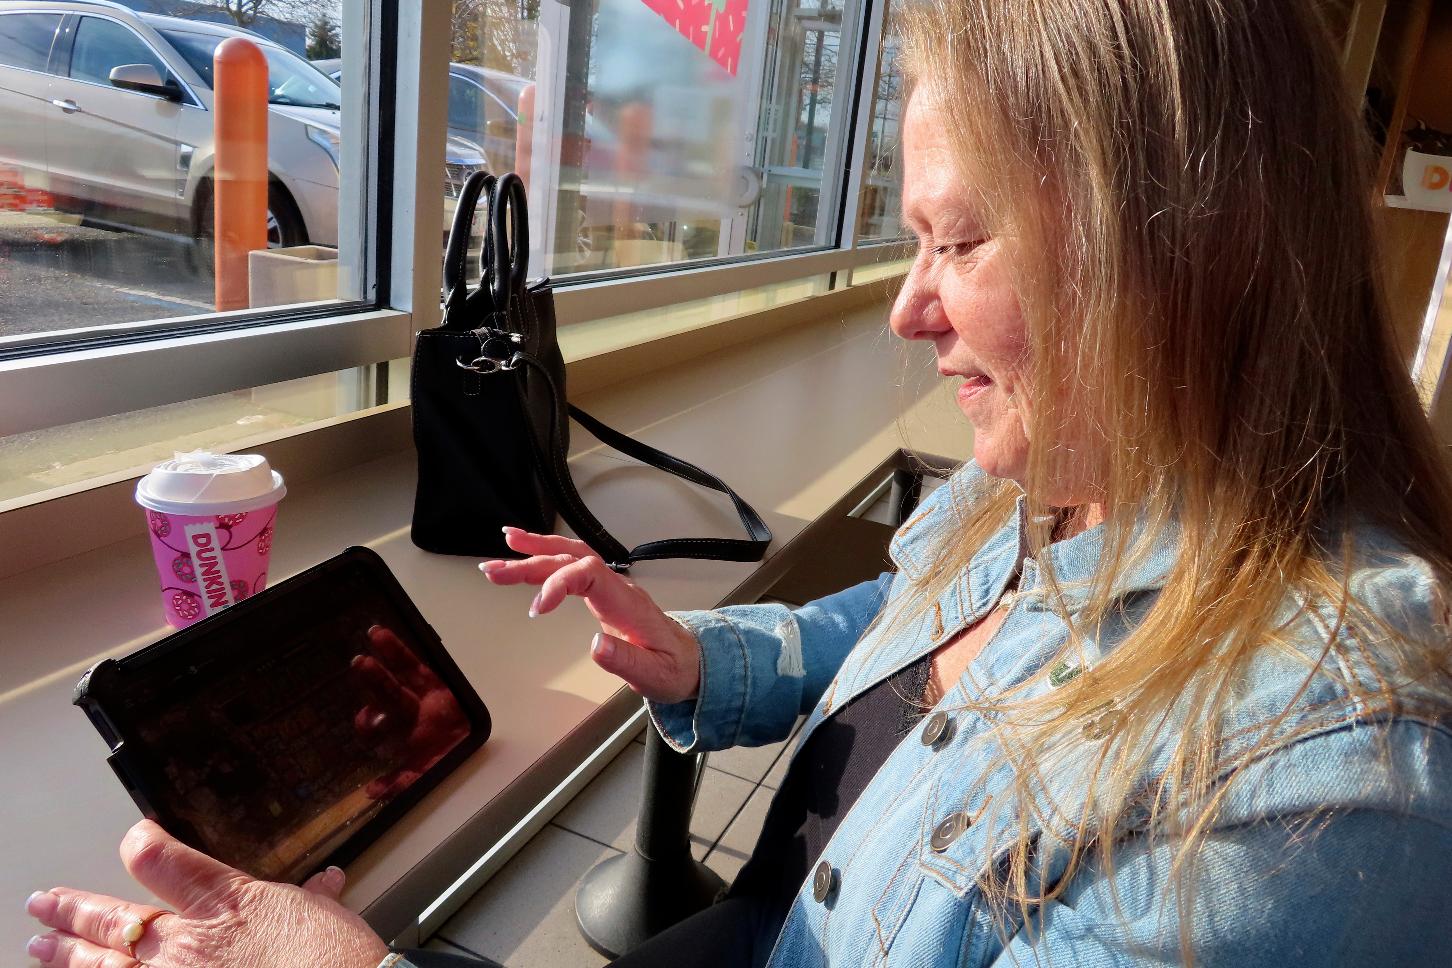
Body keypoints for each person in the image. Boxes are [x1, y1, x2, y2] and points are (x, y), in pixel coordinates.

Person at [24, 0, 1452, 964]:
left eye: (959, 242)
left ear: (1180, 257)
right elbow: (902, 627)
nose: (907, 312)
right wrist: (703, 657)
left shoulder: (1318, 801)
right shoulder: (1063, 477)